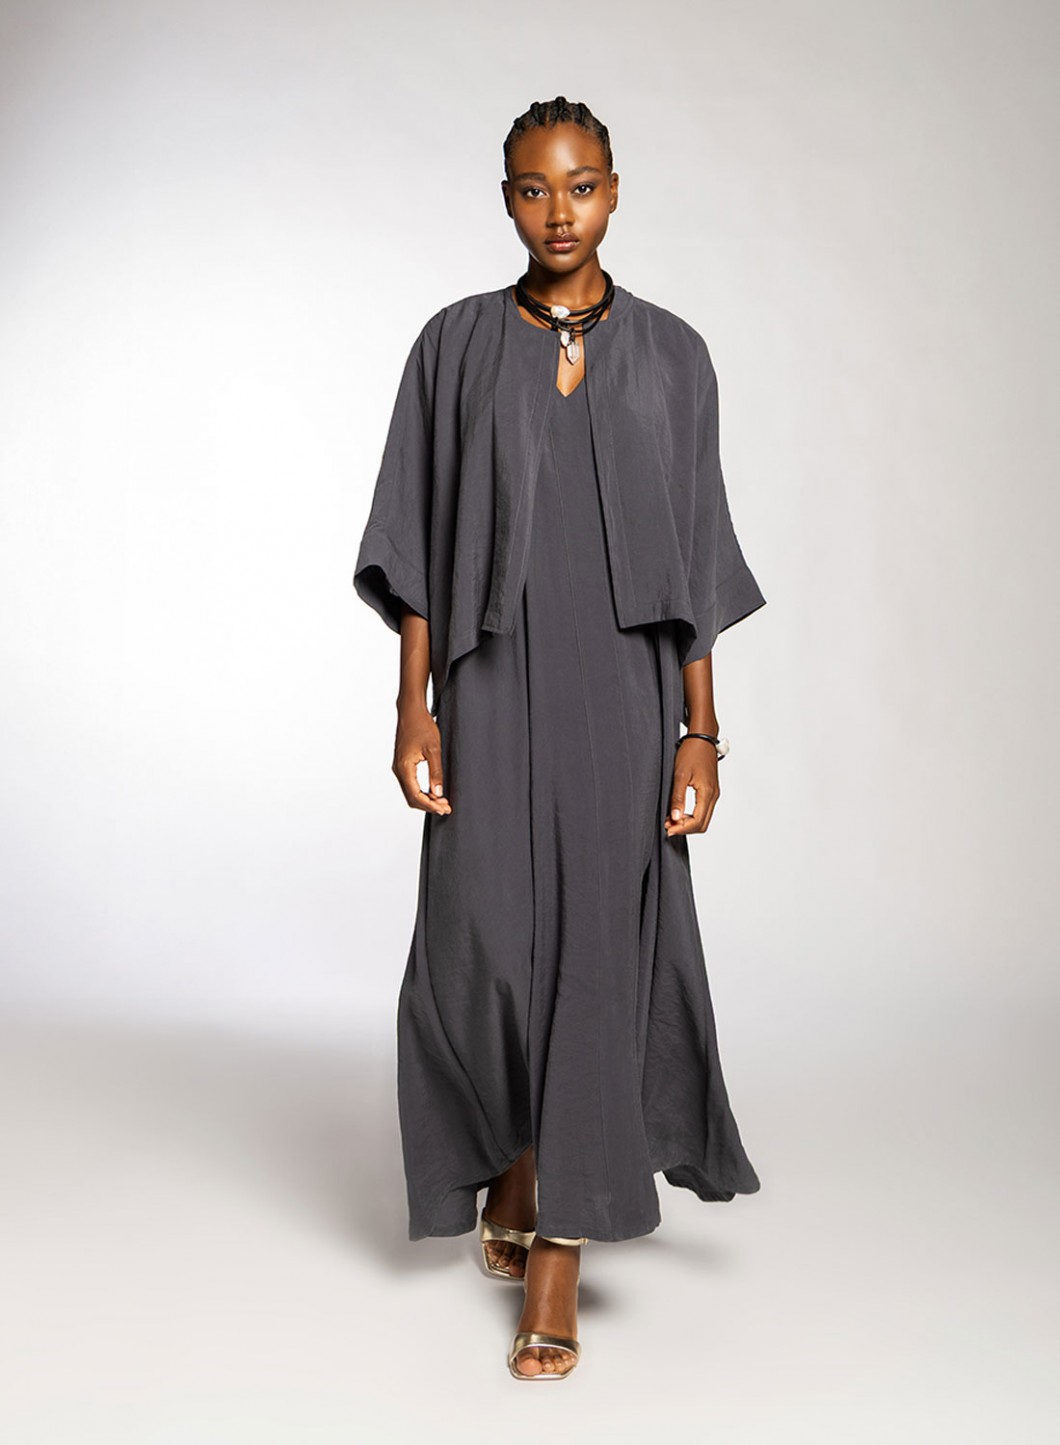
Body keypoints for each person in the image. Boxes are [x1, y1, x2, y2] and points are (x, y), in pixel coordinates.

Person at [353, 96, 767, 1381]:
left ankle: (558, 1252)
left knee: (598, 945)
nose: (559, 212)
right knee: (477, 937)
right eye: (534, 190)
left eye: (580, 186)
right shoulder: (453, 345)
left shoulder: (675, 356)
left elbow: (695, 550)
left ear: (616, 191)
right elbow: (417, 537)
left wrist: (701, 732)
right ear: (507, 201)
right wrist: (414, 703)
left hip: (623, 689)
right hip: (489, 676)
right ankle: (519, 1156)